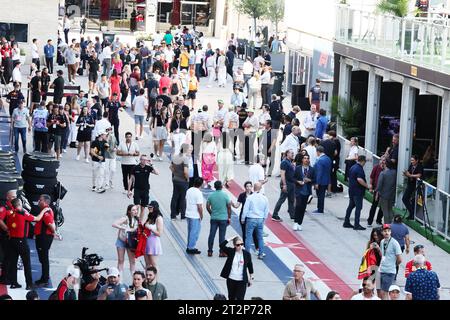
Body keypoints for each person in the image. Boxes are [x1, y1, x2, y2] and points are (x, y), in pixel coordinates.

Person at [6, 198, 45, 290]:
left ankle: (14, 283)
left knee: (13, 263)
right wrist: (44, 210)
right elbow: (37, 219)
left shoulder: (9, 214)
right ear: (20, 204)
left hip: (11, 240)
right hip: (21, 241)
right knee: (27, 263)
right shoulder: (23, 213)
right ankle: (29, 284)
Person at [219, 236, 254, 300]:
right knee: (231, 297)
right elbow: (221, 245)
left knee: (240, 298)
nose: (240, 246)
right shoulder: (231, 251)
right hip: (231, 279)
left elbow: (250, 266)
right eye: (238, 245)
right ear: (234, 245)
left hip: (242, 281)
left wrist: (251, 277)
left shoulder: (247, 254)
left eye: (241, 244)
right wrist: (230, 239)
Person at [241, 182, 269, 260]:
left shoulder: (250, 197)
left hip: (251, 218)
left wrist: (243, 218)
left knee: (248, 237)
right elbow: (266, 210)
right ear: (260, 188)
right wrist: (264, 219)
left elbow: (245, 209)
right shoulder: (264, 198)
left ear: (253, 188)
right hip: (260, 219)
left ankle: (246, 255)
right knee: (260, 237)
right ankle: (261, 253)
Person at [34, 194, 56, 287]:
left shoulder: (46, 212)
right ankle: (44, 278)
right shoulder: (46, 210)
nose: (38, 201)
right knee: (43, 259)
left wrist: (53, 232)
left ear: (45, 202)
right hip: (43, 237)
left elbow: (51, 225)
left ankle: (45, 279)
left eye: (40, 200)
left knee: (44, 259)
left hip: (44, 238)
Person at [207, 181, 232, 257]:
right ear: (221, 186)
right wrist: (229, 217)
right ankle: (222, 252)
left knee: (212, 234)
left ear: (214, 187)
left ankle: (210, 251)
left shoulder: (211, 195)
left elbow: (208, 206)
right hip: (223, 218)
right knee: (222, 236)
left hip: (214, 218)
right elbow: (229, 207)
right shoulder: (225, 195)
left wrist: (211, 213)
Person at [112, 204, 138, 277]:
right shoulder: (126, 218)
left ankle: (134, 280)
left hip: (131, 242)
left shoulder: (137, 219)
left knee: (132, 261)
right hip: (122, 241)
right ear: (129, 211)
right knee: (121, 260)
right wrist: (124, 228)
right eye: (133, 210)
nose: (135, 211)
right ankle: (119, 281)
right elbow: (114, 224)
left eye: (136, 210)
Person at [343, 155, 368, 231]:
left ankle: (346, 222)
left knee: (351, 206)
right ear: (363, 161)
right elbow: (359, 179)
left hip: (352, 190)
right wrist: (367, 186)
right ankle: (356, 224)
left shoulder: (353, 167)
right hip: (358, 191)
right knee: (358, 207)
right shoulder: (359, 169)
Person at [379, 224, 402, 300]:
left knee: (384, 292)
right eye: (385, 231)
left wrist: (393, 265)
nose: (387, 232)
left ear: (391, 232)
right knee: (380, 293)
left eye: (388, 231)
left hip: (389, 271)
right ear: (382, 232)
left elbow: (399, 259)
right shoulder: (382, 241)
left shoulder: (394, 243)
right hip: (381, 270)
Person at [272, 149, 296, 222]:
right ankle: (275, 215)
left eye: (293, 153)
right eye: (292, 153)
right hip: (287, 183)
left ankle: (292, 215)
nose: (293, 154)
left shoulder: (289, 162)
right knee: (282, 199)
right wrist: (284, 184)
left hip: (291, 183)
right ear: (287, 154)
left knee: (291, 200)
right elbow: (282, 174)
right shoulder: (284, 162)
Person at [293, 154, 314, 231]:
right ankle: (295, 222)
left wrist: (310, 180)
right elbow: (293, 178)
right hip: (299, 191)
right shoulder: (298, 168)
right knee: (298, 206)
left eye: (307, 158)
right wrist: (298, 181)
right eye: (304, 158)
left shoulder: (312, 169)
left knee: (303, 208)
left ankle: (299, 223)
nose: (306, 159)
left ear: (309, 160)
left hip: (307, 191)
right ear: (302, 160)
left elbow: (314, 180)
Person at [170, 143, 191, 220]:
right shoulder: (185, 158)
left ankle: (173, 215)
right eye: (189, 149)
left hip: (175, 179)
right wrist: (187, 179)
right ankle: (183, 215)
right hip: (182, 180)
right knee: (183, 198)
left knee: (174, 197)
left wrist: (175, 173)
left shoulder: (175, 157)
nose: (190, 150)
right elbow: (185, 171)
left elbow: (171, 167)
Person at [142, 201, 164, 269]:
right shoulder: (150, 216)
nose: (149, 208)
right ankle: (147, 278)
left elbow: (159, 233)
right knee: (147, 264)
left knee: (154, 264)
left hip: (153, 242)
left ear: (155, 207)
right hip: (146, 241)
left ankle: (156, 279)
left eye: (150, 207)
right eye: (148, 207)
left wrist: (150, 228)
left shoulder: (159, 218)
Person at [185, 177, 204, 254]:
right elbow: (199, 206)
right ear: (201, 184)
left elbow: (186, 200)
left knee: (190, 231)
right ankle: (191, 247)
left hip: (188, 213)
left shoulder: (189, 190)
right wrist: (201, 215)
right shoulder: (198, 193)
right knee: (195, 232)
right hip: (195, 215)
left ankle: (189, 246)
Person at [402, 155, 423, 220]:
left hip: (417, 186)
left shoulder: (420, 166)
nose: (411, 162)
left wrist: (410, 175)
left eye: (413, 160)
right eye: (411, 160)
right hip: (410, 185)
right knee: (405, 198)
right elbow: (409, 172)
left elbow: (419, 175)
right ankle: (411, 213)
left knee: (414, 201)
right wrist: (406, 174)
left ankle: (412, 215)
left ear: (417, 160)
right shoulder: (411, 165)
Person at [376, 159, 397, 224]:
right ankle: (391, 224)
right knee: (390, 209)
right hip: (391, 194)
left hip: (383, 195)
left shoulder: (383, 173)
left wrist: (376, 192)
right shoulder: (395, 172)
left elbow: (379, 185)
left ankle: (387, 226)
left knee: (385, 211)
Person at [313, 146, 332, 214]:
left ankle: (320, 209)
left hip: (320, 180)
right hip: (326, 179)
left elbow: (319, 172)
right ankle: (320, 208)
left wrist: (317, 183)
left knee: (320, 195)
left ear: (318, 152)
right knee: (322, 195)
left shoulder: (320, 160)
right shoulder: (328, 158)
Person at [367, 158, 385, 227]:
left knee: (382, 206)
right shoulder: (376, 167)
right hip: (377, 190)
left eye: (384, 160)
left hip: (384, 191)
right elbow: (372, 177)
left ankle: (378, 220)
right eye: (381, 160)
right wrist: (371, 186)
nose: (382, 162)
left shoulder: (386, 169)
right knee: (374, 205)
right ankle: (369, 221)